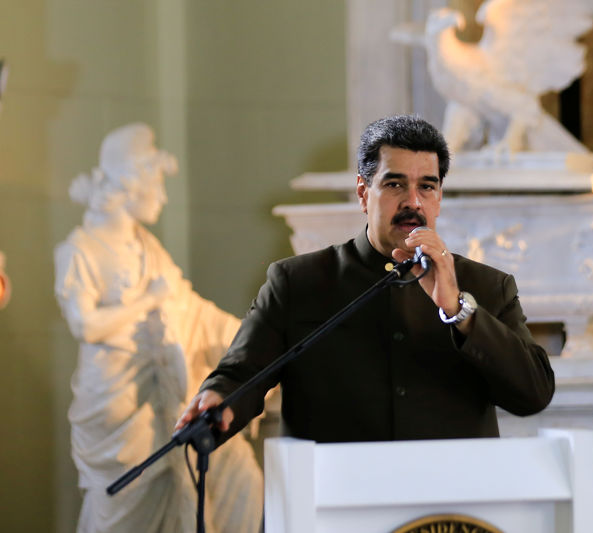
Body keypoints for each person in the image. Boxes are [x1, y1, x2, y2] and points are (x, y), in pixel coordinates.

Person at [176, 115, 554, 443]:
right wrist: (217, 399)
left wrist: (459, 311)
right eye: (394, 184)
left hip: (446, 514)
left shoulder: (488, 287)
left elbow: (533, 394)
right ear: (363, 192)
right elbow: (242, 374)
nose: (413, 201)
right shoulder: (297, 282)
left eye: (427, 185)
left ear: (439, 196)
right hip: (329, 505)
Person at [54, 123, 262, 533]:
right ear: (132, 184)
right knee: (120, 506)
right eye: (157, 186)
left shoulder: (145, 246)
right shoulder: (80, 249)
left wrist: (249, 338)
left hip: (161, 396)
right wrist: (147, 300)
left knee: (222, 487)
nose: (163, 198)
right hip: (115, 406)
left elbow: (187, 306)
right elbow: (86, 325)